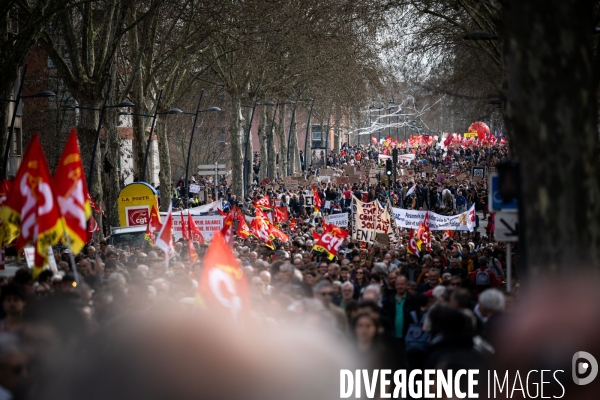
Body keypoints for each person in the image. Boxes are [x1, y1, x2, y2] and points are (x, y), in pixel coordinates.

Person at [382, 276, 415, 367]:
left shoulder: (412, 299)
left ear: (406, 285)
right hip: (393, 336)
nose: (400, 286)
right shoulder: (389, 300)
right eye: (398, 284)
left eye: (402, 284)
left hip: (407, 337)